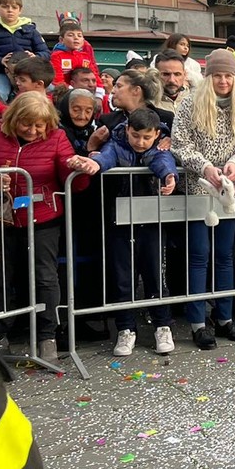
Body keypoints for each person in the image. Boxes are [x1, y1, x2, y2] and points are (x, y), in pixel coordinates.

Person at [171, 50, 235, 350]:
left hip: (228, 191)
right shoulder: (189, 104)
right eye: (218, 75)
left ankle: (224, 317)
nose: (223, 81)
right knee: (199, 256)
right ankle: (198, 321)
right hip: (198, 188)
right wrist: (204, 166)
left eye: (228, 75)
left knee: (225, 255)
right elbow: (179, 144)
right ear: (208, 76)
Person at [0, 93, 98, 361]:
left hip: (43, 217)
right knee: (2, 276)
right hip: (3, 218)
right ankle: (0, 334)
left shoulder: (56, 137)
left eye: (38, 125)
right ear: (13, 120)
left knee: (45, 276)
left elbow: (72, 181)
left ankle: (47, 336)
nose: (32, 131)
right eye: (26, 124)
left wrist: (76, 168)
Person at [89, 107, 179, 356]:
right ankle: (125, 329)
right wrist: (93, 163)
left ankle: (163, 325)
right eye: (135, 136)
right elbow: (105, 158)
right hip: (120, 222)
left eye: (146, 138)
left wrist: (170, 177)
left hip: (151, 221)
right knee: (122, 276)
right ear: (127, 130)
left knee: (155, 274)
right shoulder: (116, 144)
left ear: (156, 134)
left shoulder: (158, 148)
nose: (140, 142)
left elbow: (163, 161)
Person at [0, 0, 49, 102]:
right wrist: (0, 61)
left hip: (29, 73)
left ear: (20, 10)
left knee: (50, 89)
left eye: (14, 7)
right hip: (2, 72)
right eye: (5, 7)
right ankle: (5, 116)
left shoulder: (31, 30)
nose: (10, 10)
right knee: (0, 92)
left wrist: (36, 57)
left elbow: (45, 52)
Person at [49, 19, 96, 87]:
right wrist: (69, 90)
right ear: (61, 40)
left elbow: (94, 74)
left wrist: (99, 90)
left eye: (79, 36)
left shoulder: (86, 56)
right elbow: (57, 78)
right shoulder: (57, 56)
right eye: (71, 35)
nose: (76, 38)